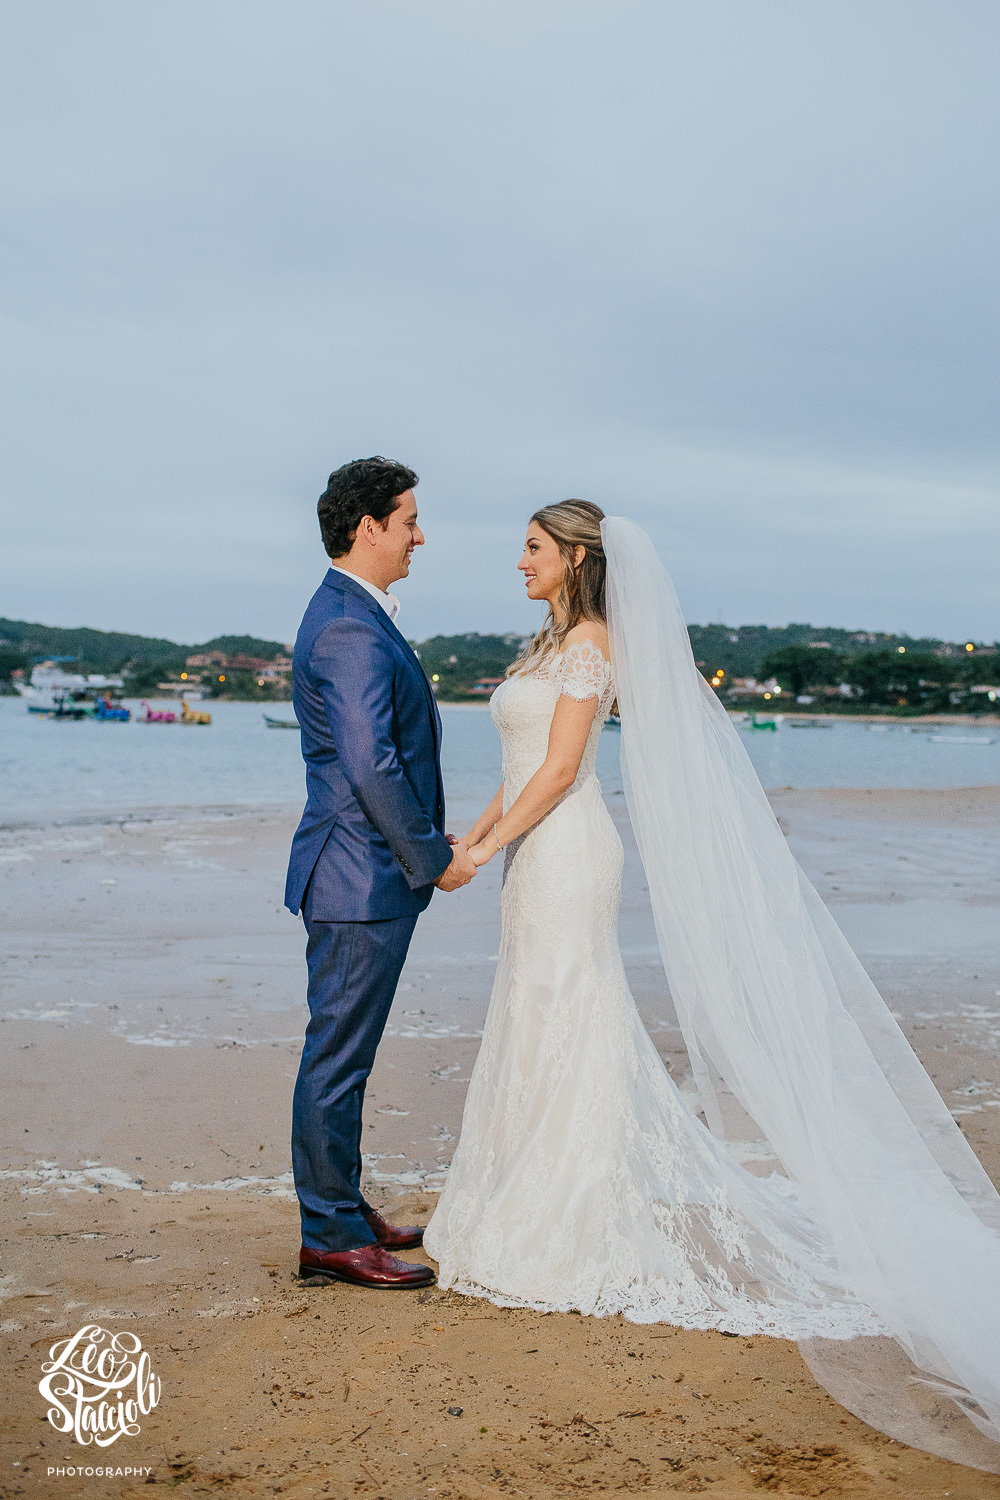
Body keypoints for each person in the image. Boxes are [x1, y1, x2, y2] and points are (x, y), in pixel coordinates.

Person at [424, 501, 1000, 1472]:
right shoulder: (547, 642)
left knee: (570, 1013)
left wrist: (485, 845)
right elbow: (521, 763)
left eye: (530, 548)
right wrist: (469, 838)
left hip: (568, 856)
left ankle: (569, 1208)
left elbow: (563, 771)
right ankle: (520, 1182)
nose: (515, 561)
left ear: (572, 558)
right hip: (533, 855)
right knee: (534, 1013)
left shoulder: (593, 642)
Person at [285, 457, 476, 1290]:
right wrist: (433, 858)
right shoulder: (348, 627)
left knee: (346, 1053)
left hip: (359, 873)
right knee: (338, 1056)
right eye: (408, 520)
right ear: (369, 528)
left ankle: (343, 1206)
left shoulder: (352, 615)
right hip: (357, 878)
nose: (418, 535)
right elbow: (373, 764)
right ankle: (327, 1234)